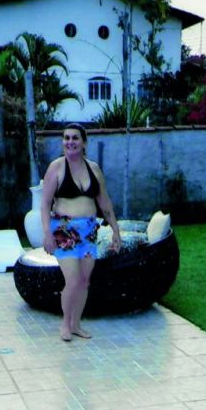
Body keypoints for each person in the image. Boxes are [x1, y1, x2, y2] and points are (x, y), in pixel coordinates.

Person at [41, 123, 122, 341]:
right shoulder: (56, 167)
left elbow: (104, 202)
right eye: (66, 138)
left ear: (84, 142)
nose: (70, 142)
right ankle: (65, 325)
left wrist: (115, 230)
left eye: (75, 138)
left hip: (88, 230)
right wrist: (47, 233)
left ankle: (76, 324)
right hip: (64, 230)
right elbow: (45, 203)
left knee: (85, 281)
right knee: (73, 279)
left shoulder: (94, 169)